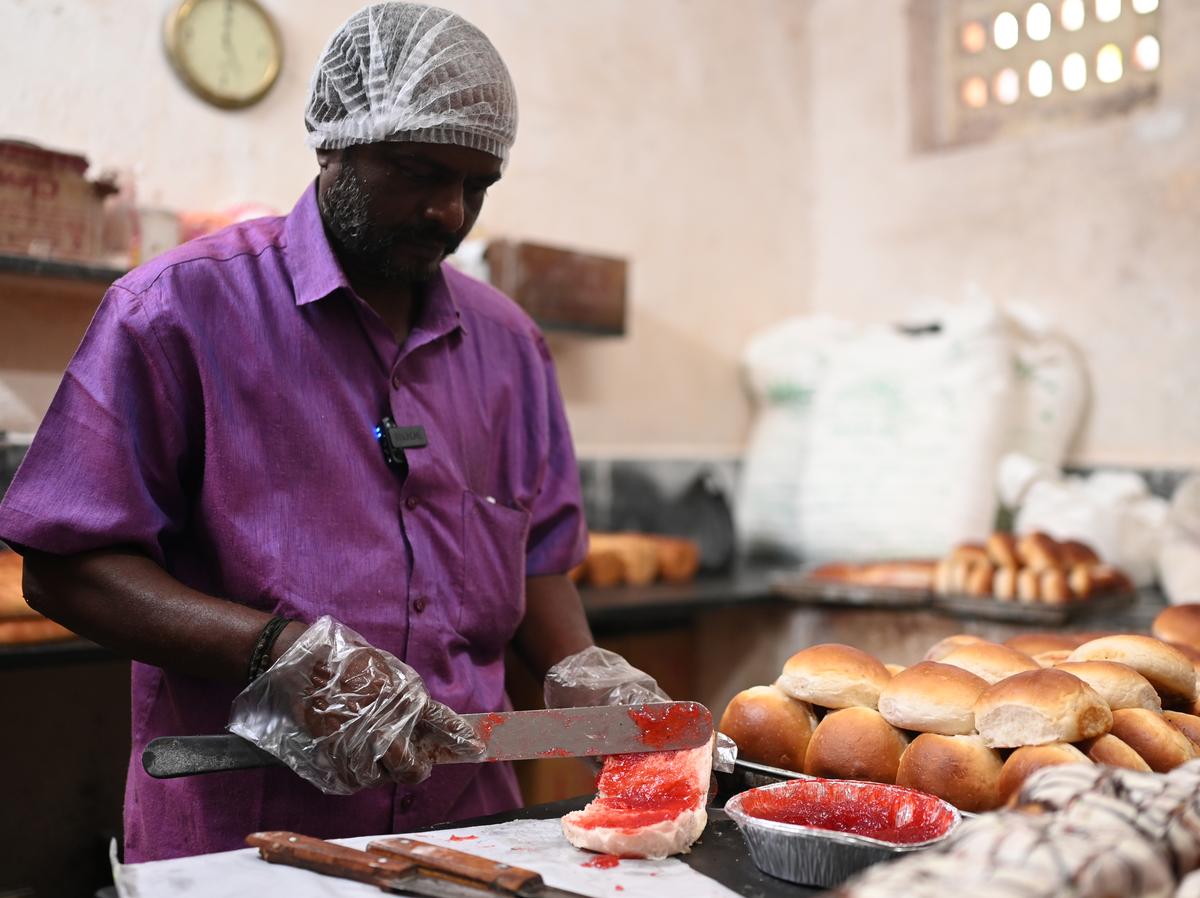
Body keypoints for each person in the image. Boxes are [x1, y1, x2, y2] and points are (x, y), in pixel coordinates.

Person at [0, 3, 665, 862]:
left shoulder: (510, 346)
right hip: (244, 833)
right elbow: (64, 568)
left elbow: (536, 559)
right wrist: (279, 653)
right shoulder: (179, 313)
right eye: (418, 172)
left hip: (471, 830)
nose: (447, 212)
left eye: (476, 185)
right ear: (334, 143)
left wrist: (583, 672)